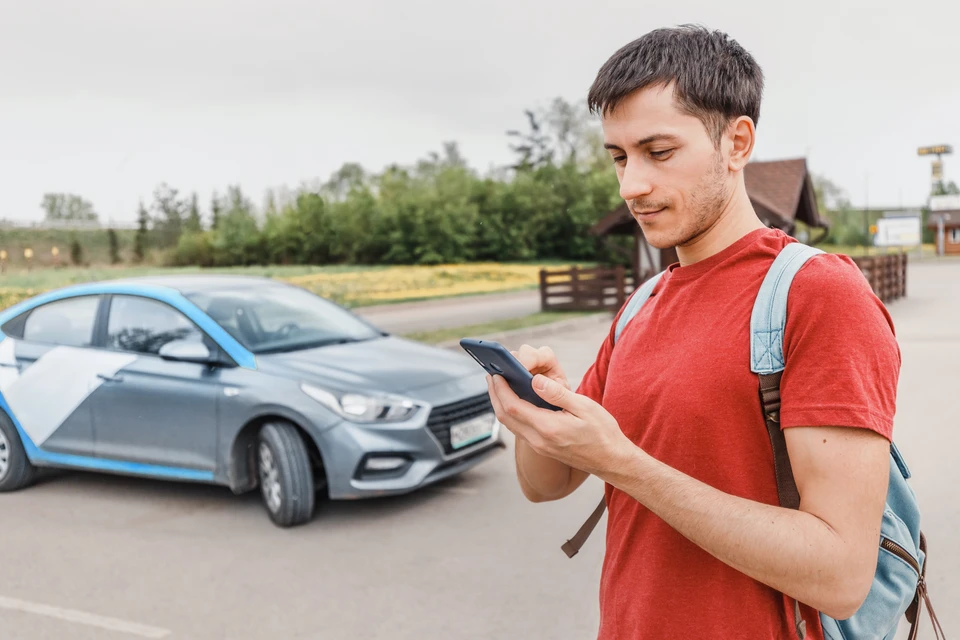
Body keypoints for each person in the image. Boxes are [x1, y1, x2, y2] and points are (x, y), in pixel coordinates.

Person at [486, 25, 900, 640]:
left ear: (737, 142)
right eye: (620, 158)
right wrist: (532, 414)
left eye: (659, 152)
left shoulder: (818, 294)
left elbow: (840, 576)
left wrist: (624, 464)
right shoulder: (641, 305)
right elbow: (547, 484)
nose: (631, 186)